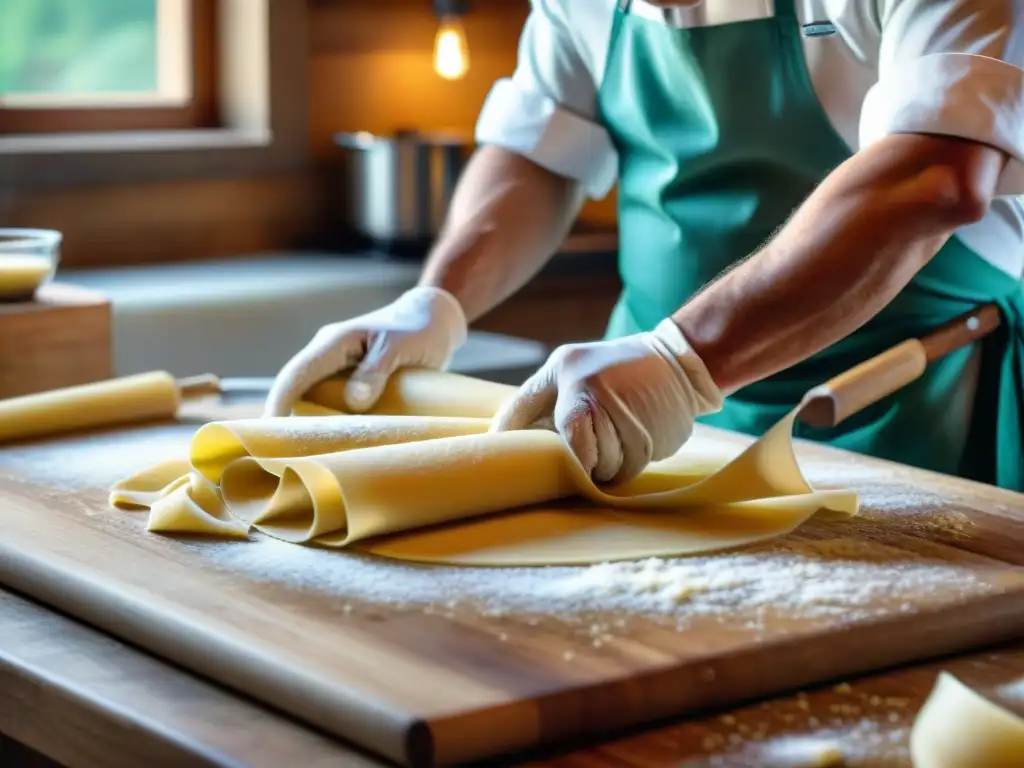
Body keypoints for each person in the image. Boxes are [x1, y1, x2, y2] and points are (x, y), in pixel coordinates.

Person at [266, 0, 1024, 491]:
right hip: (651, 421)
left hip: (911, 405)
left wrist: (682, 361)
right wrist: (438, 300)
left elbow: (932, 175)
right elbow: (535, 151)